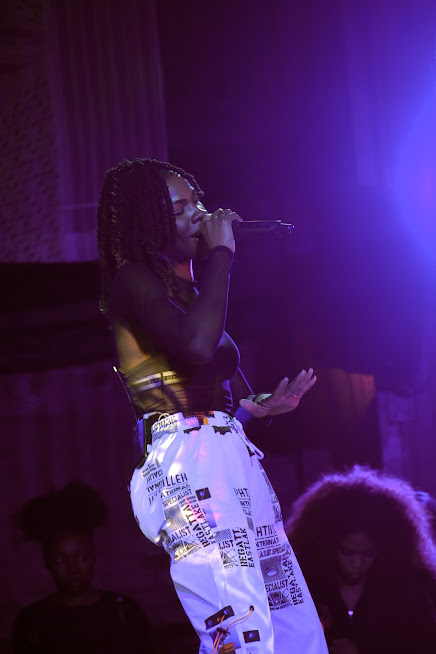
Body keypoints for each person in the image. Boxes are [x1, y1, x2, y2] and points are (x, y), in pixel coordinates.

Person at [97, 157, 328, 653]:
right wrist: (222, 253)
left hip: (225, 451)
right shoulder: (134, 280)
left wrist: (255, 408)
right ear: (148, 223)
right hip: (186, 463)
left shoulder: (190, 291)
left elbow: (217, 385)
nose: (199, 214)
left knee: (290, 624)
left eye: (197, 201)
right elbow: (197, 348)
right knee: (242, 630)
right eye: (180, 208)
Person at [286, 465, 436, 654]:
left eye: (368, 554)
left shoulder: (406, 592)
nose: (357, 564)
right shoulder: (304, 587)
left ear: (385, 550)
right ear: (327, 547)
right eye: (347, 553)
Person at [12, 481, 151, 654]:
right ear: (47, 562)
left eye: (81, 557)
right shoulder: (32, 622)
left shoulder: (125, 612)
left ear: (93, 556)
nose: (73, 568)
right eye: (60, 559)